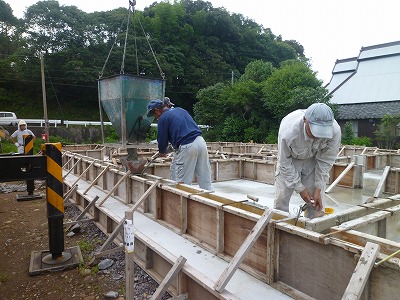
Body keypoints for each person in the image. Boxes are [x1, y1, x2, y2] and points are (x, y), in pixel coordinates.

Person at [273, 103, 341, 218]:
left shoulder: (335, 131)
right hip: (290, 161)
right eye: (315, 130)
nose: (318, 136)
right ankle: (280, 229)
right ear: (305, 120)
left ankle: (313, 230)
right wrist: (300, 188)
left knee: (316, 204)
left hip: (312, 160)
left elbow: (326, 161)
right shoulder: (288, 132)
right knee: (281, 201)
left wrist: (318, 187)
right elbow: (285, 162)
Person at [147, 99, 212, 190]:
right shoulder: (180, 110)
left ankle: (181, 203)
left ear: (157, 110)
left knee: (182, 183)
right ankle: (209, 200)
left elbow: (162, 139)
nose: (155, 117)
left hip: (187, 146)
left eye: (154, 114)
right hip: (201, 142)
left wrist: (162, 152)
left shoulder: (163, 118)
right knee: (205, 177)